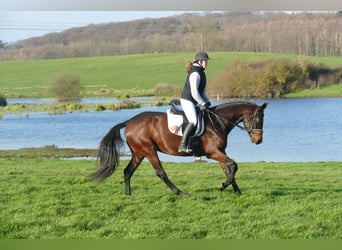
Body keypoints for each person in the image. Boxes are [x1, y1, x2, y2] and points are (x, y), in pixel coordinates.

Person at [178, 51, 211, 153]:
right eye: (206, 61)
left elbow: (201, 91)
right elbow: (194, 92)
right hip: (187, 100)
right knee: (193, 121)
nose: (207, 63)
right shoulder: (195, 73)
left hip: (193, 100)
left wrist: (207, 101)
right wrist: (202, 102)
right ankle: (182, 145)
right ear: (200, 61)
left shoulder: (201, 72)